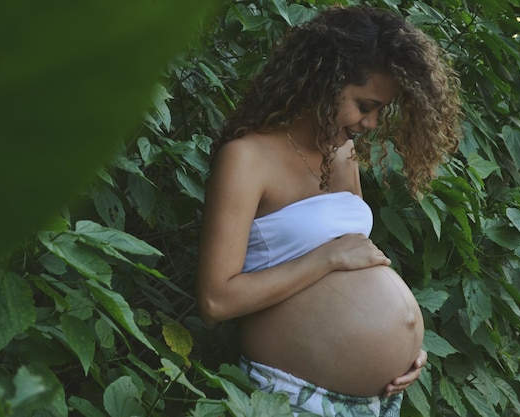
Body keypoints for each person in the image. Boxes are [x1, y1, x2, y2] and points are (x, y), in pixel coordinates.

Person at [196, 5, 462, 417]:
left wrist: (404, 348)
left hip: (382, 398)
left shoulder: (342, 153)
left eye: (380, 111)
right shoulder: (246, 159)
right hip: (291, 395)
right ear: (324, 82)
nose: (371, 122)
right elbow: (216, 301)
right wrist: (328, 258)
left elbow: (360, 259)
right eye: (365, 105)